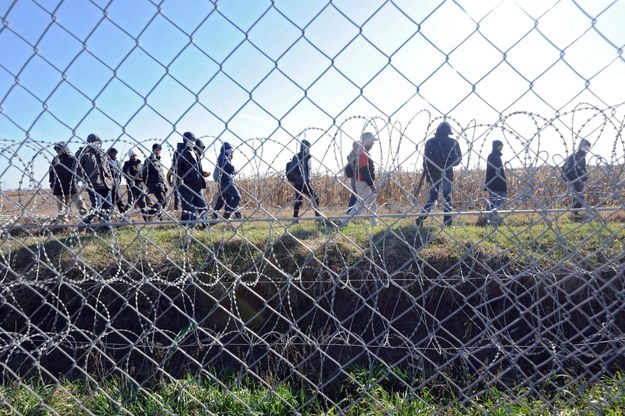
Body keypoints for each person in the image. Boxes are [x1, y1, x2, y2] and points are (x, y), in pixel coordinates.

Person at [416, 121, 462, 227]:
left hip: (433, 173)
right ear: (449, 132)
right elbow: (458, 159)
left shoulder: (430, 142)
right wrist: (446, 165)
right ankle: (447, 223)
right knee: (447, 197)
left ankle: (421, 217)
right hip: (446, 173)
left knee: (433, 196)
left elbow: (425, 159)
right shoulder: (453, 142)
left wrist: (428, 171)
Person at [340, 132, 378, 227]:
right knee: (361, 206)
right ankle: (343, 222)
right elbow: (364, 169)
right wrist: (371, 185)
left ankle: (374, 223)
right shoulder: (363, 152)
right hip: (364, 183)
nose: (373, 143)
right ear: (367, 141)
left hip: (362, 182)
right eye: (372, 141)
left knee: (371, 203)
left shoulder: (361, 151)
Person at [78, 133, 114, 227]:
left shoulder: (102, 154)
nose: (98, 145)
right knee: (97, 207)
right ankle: (85, 222)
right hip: (93, 185)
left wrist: (110, 179)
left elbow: (108, 168)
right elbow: (77, 169)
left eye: (99, 143)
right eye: (95, 142)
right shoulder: (84, 154)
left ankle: (107, 226)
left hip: (106, 184)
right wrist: (84, 180)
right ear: (90, 143)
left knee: (108, 207)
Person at [176, 132, 210, 227]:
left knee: (202, 206)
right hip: (187, 185)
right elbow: (178, 170)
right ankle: (187, 226)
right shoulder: (179, 152)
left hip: (197, 185)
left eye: (194, 139)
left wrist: (202, 174)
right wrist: (189, 178)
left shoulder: (195, 153)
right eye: (191, 139)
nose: (193, 141)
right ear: (185, 140)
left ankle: (206, 225)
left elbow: (197, 169)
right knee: (189, 207)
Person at [49, 142, 88, 221]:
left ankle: (86, 219)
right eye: (56, 149)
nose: (57, 151)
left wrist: (77, 180)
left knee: (79, 202)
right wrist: (52, 182)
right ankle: (64, 222)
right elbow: (51, 171)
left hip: (72, 185)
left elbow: (79, 170)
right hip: (59, 186)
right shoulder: (55, 159)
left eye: (59, 149)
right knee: (61, 206)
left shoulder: (72, 159)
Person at [288, 140, 321, 223]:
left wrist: (308, 178)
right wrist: (300, 178)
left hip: (306, 183)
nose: (309, 149)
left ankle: (318, 217)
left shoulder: (308, 157)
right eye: (308, 147)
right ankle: (295, 219)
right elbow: (291, 171)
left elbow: (308, 170)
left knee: (315, 198)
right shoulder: (297, 157)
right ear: (303, 147)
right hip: (299, 183)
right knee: (299, 201)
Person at [211, 141, 242, 221]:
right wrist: (234, 169)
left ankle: (215, 214)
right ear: (227, 150)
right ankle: (227, 214)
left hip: (223, 181)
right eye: (231, 150)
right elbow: (228, 167)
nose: (232, 152)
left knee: (222, 199)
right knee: (237, 196)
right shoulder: (223, 157)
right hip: (226, 181)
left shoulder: (224, 156)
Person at [562, 139, 591, 220]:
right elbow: (573, 169)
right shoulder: (576, 156)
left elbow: (582, 169)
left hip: (577, 179)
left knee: (577, 196)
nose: (586, 150)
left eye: (587, 148)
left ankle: (575, 213)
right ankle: (575, 213)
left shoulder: (579, 156)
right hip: (573, 179)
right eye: (585, 148)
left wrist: (584, 176)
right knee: (579, 196)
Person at [143, 143, 169, 220]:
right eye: (157, 149)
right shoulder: (148, 160)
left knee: (165, 202)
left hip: (162, 184)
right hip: (154, 184)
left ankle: (160, 217)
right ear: (153, 150)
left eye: (159, 150)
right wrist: (147, 184)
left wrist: (165, 184)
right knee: (162, 201)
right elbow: (144, 174)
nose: (158, 151)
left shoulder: (159, 160)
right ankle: (148, 213)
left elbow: (161, 174)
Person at [484, 140, 507, 225]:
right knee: (500, 199)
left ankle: (488, 217)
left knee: (492, 200)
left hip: (492, 183)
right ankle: (493, 217)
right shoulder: (495, 156)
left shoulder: (492, 156)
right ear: (497, 146)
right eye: (501, 145)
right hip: (497, 183)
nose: (502, 147)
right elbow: (496, 171)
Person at [122, 149, 149, 220]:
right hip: (132, 187)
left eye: (135, 155)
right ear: (130, 157)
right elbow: (126, 174)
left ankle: (146, 219)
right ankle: (123, 218)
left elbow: (143, 173)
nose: (134, 157)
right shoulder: (127, 164)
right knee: (130, 203)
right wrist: (136, 179)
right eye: (132, 156)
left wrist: (143, 179)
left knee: (143, 203)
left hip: (141, 186)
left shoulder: (140, 164)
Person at [106, 147, 129, 216]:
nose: (115, 155)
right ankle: (108, 217)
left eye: (115, 154)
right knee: (112, 202)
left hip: (117, 184)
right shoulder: (106, 162)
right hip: (109, 185)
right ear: (109, 153)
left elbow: (121, 171)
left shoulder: (117, 162)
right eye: (113, 154)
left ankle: (123, 215)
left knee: (119, 200)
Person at [167, 141, 186, 211]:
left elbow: (168, 175)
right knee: (179, 196)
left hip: (180, 182)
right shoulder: (173, 167)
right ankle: (178, 208)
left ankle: (178, 208)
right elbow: (168, 175)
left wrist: (170, 182)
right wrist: (170, 182)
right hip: (179, 182)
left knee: (178, 196)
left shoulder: (173, 166)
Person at [345, 141, 359, 213]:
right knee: (355, 197)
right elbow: (356, 169)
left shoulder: (352, 155)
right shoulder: (354, 156)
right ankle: (350, 212)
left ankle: (351, 212)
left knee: (355, 196)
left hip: (354, 179)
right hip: (356, 179)